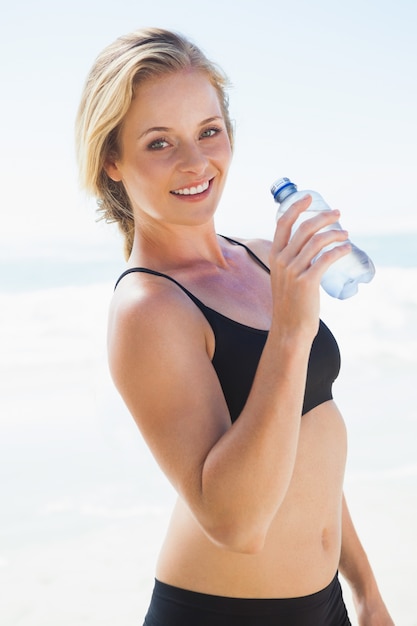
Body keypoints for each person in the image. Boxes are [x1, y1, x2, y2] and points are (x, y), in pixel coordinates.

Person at [75, 27, 395, 626]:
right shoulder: (149, 308)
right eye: (159, 143)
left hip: (327, 603)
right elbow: (236, 523)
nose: (195, 162)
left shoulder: (263, 257)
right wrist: (292, 330)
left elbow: (306, 449)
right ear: (112, 162)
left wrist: (367, 592)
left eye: (209, 131)